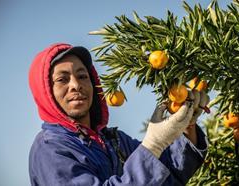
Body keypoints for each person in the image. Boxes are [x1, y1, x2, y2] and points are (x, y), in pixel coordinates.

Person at [28, 43, 209, 186]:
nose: (76, 85)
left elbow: (169, 176)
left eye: (82, 76)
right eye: (62, 79)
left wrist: (187, 126)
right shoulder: (51, 150)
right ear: (46, 93)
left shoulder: (114, 141)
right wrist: (153, 144)